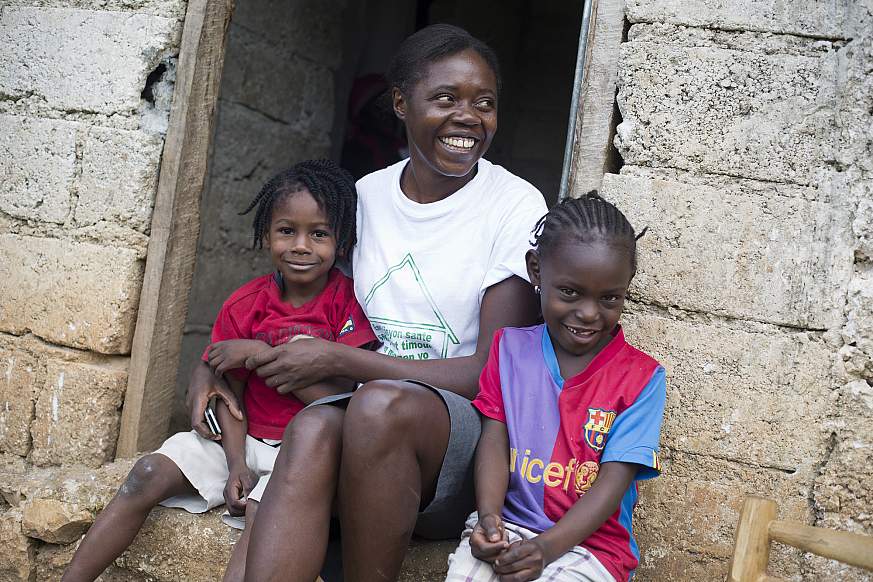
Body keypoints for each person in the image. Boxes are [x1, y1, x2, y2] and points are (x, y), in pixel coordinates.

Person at [184, 24, 548, 582]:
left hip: (459, 443)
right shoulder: (363, 198)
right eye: (446, 98)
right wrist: (209, 367)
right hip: (352, 417)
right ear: (401, 102)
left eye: (485, 103)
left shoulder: (513, 205)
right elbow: (288, 302)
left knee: (378, 406)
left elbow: (492, 373)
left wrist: (343, 361)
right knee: (311, 429)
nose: (468, 117)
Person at [62, 160, 377, 582]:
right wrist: (235, 465)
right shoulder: (245, 305)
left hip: (304, 456)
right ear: (266, 235)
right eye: (287, 231)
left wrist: (264, 353)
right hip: (242, 440)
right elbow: (225, 393)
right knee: (145, 475)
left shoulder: (348, 304)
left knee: (262, 522)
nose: (301, 245)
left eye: (319, 234)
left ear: (342, 242)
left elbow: (340, 401)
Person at [444, 194, 666, 582]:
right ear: (536, 271)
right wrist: (489, 518)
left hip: (593, 547)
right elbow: (494, 443)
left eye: (609, 298)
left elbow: (613, 483)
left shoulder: (641, 379)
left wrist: (546, 549)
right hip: (510, 525)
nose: (589, 313)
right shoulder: (508, 349)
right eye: (570, 292)